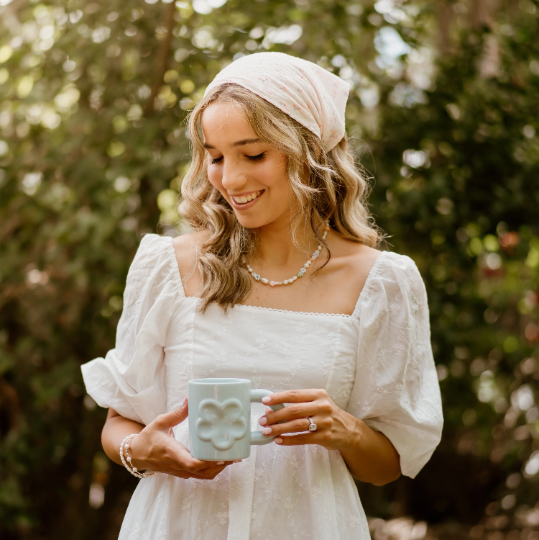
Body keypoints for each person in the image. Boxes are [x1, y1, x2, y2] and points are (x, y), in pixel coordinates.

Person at [81, 52, 443, 540]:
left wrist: (346, 429)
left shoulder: (383, 283)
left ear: (309, 153)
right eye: (215, 156)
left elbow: (387, 466)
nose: (230, 179)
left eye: (253, 155)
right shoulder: (169, 267)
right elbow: (119, 422)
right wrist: (139, 451)